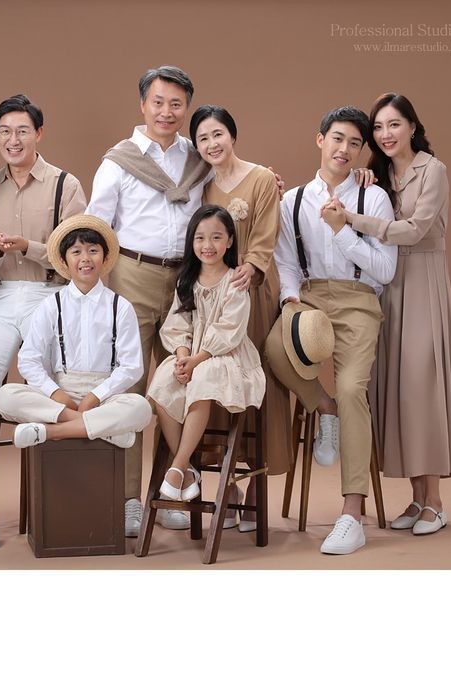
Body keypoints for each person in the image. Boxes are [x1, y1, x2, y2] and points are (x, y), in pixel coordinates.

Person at [325, 93, 451, 535]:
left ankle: (436, 501)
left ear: (411, 126)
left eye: (395, 125)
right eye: (380, 128)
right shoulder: (379, 174)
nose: (386, 135)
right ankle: (415, 498)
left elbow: (414, 230)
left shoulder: (433, 170)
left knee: (422, 387)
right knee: (397, 389)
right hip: (384, 284)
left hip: (422, 279)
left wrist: (350, 219)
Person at [265, 106, 398, 555]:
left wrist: (342, 230)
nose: (345, 149)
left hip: (359, 300)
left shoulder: (373, 198)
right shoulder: (293, 200)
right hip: (308, 296)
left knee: (352, 387)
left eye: (355, 143)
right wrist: (289, 299)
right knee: (273, 350)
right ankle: (325, 410)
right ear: (319, 139)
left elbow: (385, 268)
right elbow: (284, 259)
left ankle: (351, 513)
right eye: (337, 139)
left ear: (363, 152)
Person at [0, 95, 87, 549]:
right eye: (5, 133)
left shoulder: (65, 185)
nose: (13, 140)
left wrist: (26, 246)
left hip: (51, 296)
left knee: (55, 387)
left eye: (22, 131)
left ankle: (64, 500)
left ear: (39, 133)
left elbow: (79, 254)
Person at [85, 66, 209, 535]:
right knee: (132, 390)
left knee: (177, 388)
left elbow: (224, 201)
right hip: (132, 274)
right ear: (143, 105)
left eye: (176, 103)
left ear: (186, 108)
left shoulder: (198, 160)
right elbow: (97, 224)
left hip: (185, 281)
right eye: (158, 102)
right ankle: (128, 500)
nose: (166, 112)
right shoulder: (119, 160)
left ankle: (171, 492)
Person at [189, 105, 292, 531]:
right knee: (217, 379)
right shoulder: (202, 186)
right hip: (215, 293)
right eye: (203, 139)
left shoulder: (263, 179)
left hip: (252, 289)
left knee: (254, 379)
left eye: (218, 135)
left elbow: (266, 234)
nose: (212, 145)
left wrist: (250, 265)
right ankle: (226, 486)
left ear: (233, 135)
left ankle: (253, 488)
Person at [0, 214, 152, 454]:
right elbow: (28, 360)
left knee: (141, 407)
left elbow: (131, 367)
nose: (85, 259)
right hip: (60, 395)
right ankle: (107, 431)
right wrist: (57, 394)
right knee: (6, 396)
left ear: (106, 256)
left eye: (93, 250)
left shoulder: (120, 306)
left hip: (104, 396)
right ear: (64, 259)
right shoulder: (51, 305)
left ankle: (51, 431)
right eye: (76, 252)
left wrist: (96, 396)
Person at [147, 205, 265, 502]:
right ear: (191, 242)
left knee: (202, 378)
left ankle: (178, 465)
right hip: (193, 353)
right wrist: (183, 356)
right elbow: (178, 323)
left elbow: (230, 330)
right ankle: (186, 470)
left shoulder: (235, 279)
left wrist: (197, 360)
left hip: (226, 355)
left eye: (216, 237)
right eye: (200, 238)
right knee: (163, 378)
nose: (207, 245)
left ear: (229, 242)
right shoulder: (187, 280)